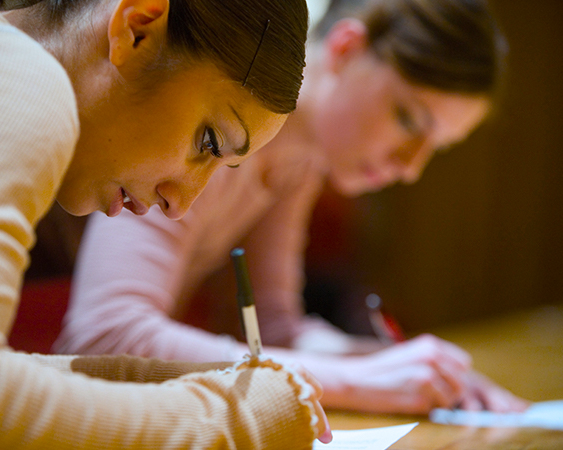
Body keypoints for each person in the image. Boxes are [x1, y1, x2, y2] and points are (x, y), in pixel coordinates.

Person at [0, 0, 334, 448]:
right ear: (136, 26)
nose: (181, 203)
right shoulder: (14, 81)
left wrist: (174, 382)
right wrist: (240, 419)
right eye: (209, 140)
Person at [55, 0, 531, 415]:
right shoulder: (211, 133)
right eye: (407, 118)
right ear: (345, 49)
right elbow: (105, 332)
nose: (410, 168)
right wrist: (355, 382)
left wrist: (404, 367)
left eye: (436, 147)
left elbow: (274, 327)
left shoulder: (297, 162)